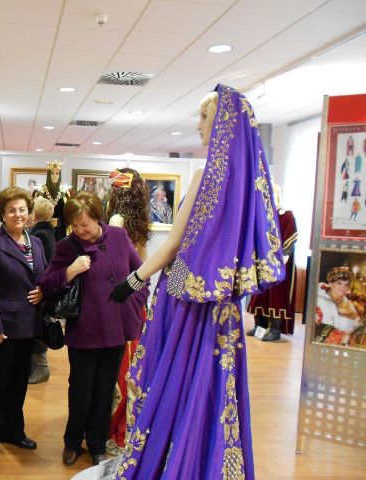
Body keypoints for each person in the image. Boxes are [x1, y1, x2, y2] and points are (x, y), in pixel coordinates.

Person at [109, 84, 285, 479]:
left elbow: (173, 244)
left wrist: (134, 279)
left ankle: (170, 464)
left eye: (204, 117)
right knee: (208, 384)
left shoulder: (208, 178)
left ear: (221, 124)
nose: (198, 125)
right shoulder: (242, 187)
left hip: (185, 300)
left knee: (177, 379)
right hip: (220, 307)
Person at [39, 191, 149, 467]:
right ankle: (73, 442)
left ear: (97, 218)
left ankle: (97, 443)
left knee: (104, 389)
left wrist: (135, 301)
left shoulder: (119, 236)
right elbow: (48, 282)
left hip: (116, 328)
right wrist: (70, 271)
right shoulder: (67, 246)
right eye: (74, 225)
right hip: (85, 331)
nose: (79, 230)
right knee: (80, 389)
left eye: (84, 224)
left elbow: (141, 274)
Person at [0, 187, 46, 463]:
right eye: (11, 210)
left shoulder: (35, 243)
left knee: (19, 385)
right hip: (2, 329)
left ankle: (13, 431)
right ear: (2, 215)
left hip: (28, 326)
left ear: (29, 213)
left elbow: (42, 275)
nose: (18, 214)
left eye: (22, 209)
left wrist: (42, 291)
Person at [103, 167, 152, 455]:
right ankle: (126, 425)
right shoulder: (139, 223)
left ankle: (111, 428)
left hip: (119, 301)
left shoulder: (115, 222)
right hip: (136, 299)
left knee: (119, 368)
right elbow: (143, 267)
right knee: (133, 367)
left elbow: (113, 267)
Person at [247, 184, 298, 342]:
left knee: (276, 297)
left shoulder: (287, 215)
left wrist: (283, 257)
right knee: (260, 295)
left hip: (280, 264)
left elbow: (290, 239)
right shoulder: (262, 215)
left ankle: (275, 329)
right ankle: (260, 326)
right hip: (263, 262)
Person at [27, 196, 57, 384]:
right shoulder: (49, 232)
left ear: (34, 214)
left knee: (37, 328)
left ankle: (41, 367)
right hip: (44, 288)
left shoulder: (38, 236)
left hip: (39, 288)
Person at [314, 266, 362, 346]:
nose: (343, 287)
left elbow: (357, 323)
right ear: (330, 284)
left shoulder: (348, 303)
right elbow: (317, 328)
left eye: (346, 285)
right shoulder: (320, 300)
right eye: (339, 283)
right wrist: (343, 337)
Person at [33, 160, 71, 240]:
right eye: (52, 173)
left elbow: (68, 213)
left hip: (60, 231)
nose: (54, 176)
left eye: (57, 173)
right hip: (42, 230)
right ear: (48, 175)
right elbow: (34, 212)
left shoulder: (66, 192)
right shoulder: (40, 191)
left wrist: (59, 221)